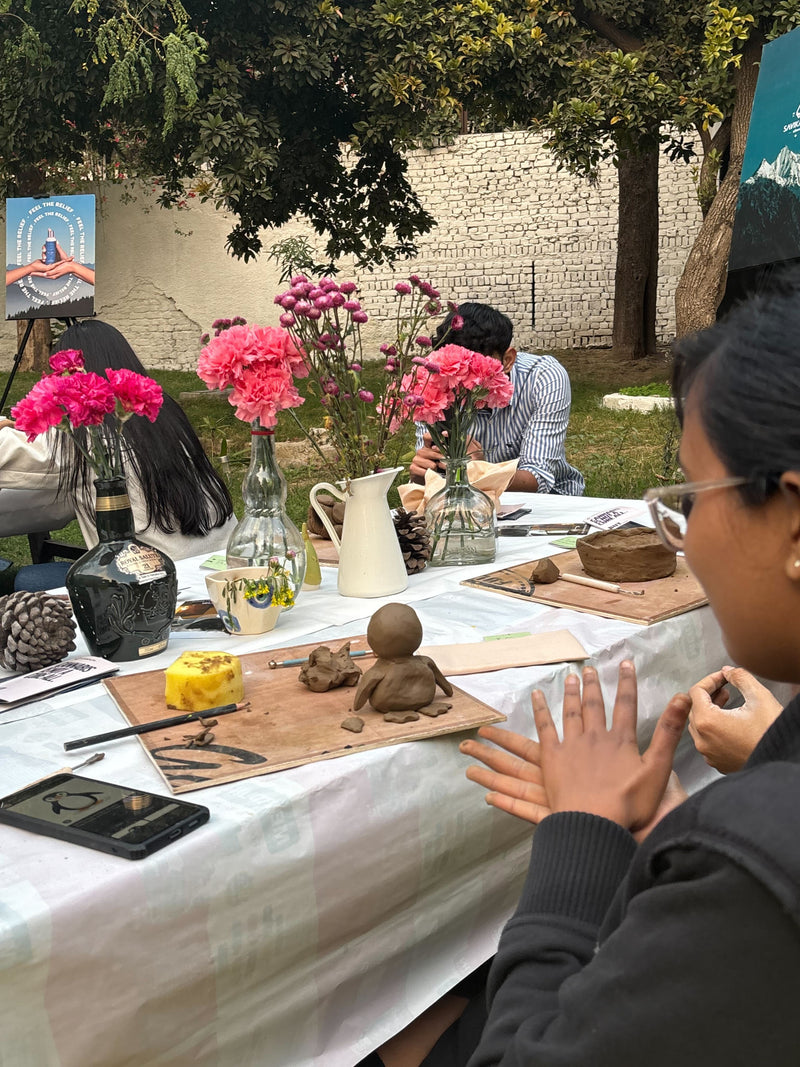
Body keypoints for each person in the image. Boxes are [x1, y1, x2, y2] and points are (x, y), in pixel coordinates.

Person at [368, 273, 800, 1066]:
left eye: (694, 497)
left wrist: (582, 840)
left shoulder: (757, 853)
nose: (684, 539)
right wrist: (680, 831)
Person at [0, 320, 236, 588]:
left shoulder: (85, 433)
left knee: (30, 580)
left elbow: (7, 452)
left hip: (156, 586)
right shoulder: (164, 411)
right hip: (222, 565)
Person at [409, 303, 584, 495]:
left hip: (549, 500)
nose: (463, 382)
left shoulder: (543, 377)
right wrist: (422, 476)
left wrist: (482, 470)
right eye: (454, 369)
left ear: (507, 360)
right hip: (466, 502)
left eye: (475, 370)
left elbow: (538, 477)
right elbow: (434, 482)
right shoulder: (433, 383)